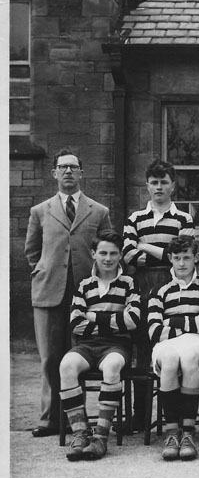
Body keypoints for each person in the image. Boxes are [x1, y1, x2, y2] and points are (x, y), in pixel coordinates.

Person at [25, 148, 113, 436]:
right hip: (50, 292)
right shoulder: (40, 211)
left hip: (87, 296)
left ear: (81, 173)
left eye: (73, 167)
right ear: (54, 173)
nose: (68, 172)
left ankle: (79, 418)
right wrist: (45, 271)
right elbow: (32, 251)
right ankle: (50, 419)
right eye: (62, 167)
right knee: (51, 357)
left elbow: (106, 249)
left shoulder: (99, 211)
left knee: (82, 355)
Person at [123, 158, 195, 431]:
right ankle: (140, 417)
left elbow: (182, 254)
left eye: (164, 182)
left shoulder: (183, 218)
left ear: (173, 185)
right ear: (147, 186)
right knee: (143, 351)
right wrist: (164, 254)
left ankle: (172, 417)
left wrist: (149, 248)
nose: (159, 187)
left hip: (173, 285)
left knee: (173, 348)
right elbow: (129, 254)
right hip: (142, 286)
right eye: (154, 182)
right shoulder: (135, 219)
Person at [60, 232, 142, 460]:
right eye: (103, 253)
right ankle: (80, 434)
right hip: (86, 346)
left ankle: (100, 438)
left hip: (116, 346)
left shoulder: (129, 283)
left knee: (112, 366)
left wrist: (93, 316)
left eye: (113, 253)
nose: (108, 258)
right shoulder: (84, 285)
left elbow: (132, 321)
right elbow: (76, 325)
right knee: (67, 366)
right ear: (93, 254)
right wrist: (115, 320)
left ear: (120, 255)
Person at [148, 235, 199, 461]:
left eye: (186, 257)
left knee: (189, 357)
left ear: (196, 258)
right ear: (169, 258)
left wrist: (171, 322)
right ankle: (172, 433)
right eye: (176, 258)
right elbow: (154, 331)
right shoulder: (159, 289)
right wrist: (192, 321)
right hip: (167, 343)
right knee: (169, 358)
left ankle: (188, 433)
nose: (181, 263)